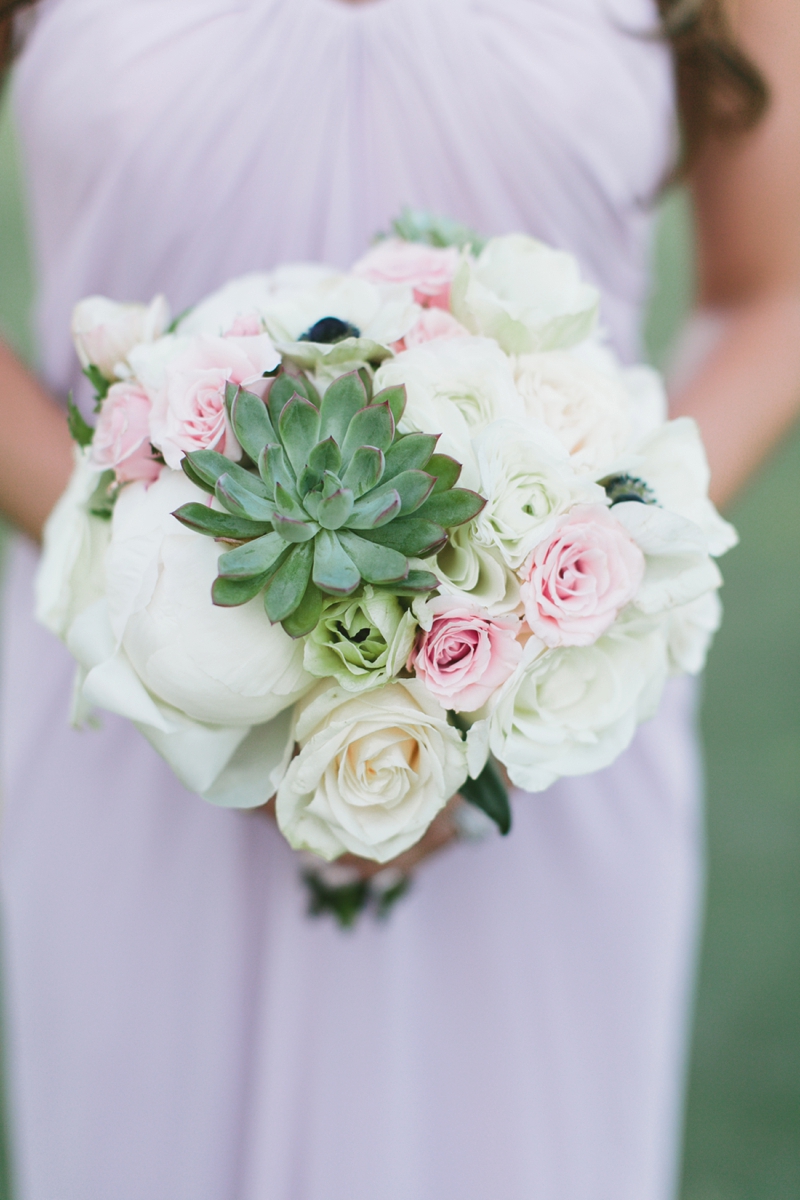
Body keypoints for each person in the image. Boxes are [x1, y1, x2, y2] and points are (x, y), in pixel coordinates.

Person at [0, 1, 797, 1197]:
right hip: (133, 729)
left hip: (548, 752)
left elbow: (769, 292)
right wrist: (165, 603)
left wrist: (561, 602)